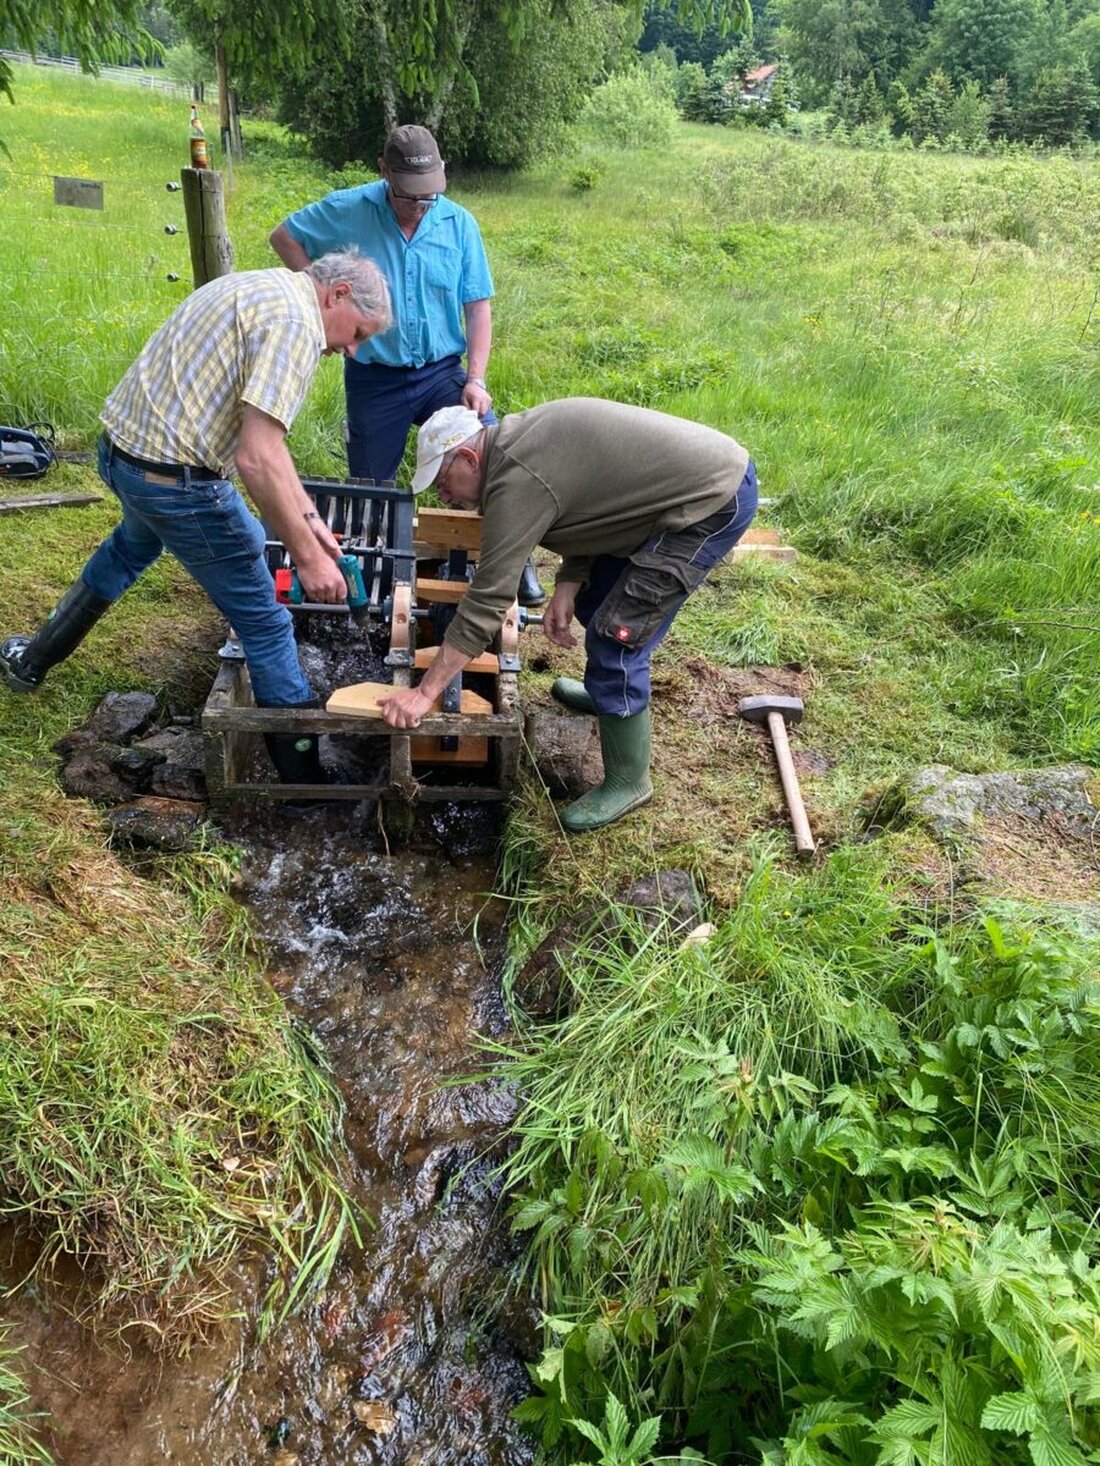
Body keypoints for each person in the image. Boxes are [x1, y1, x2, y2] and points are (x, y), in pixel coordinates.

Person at [0, 251, 392, 796]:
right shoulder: (297, 326)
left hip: (124, 456)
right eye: (358, 334)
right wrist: (307, 559)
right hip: (174, 483)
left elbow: (269, 448)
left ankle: (30, 660)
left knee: (132, 548)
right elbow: (256, 457)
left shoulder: (263, 287)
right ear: (339, 294)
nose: (350, 350)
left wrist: (309, 521)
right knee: (266, 623)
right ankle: (304, 790)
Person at [380, 398, 758, 833]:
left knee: (617, 636)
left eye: (444, 483)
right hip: (674, 494)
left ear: (468, 457)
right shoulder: (515, 446)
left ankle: (629, 780)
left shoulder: (517, 479)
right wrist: (570, 579)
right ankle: (608, 699)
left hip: (710, 503)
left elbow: (488, 599)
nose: (445, 497)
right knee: (599, 601)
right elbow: (593, 501)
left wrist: (424, 693)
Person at [268, 122, 545, 607]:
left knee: (495, 449)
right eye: (409, 196)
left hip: (441, 372)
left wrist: (476, 379)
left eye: (429, 196)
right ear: (384, 172)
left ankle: (515, 563)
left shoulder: (458, 224)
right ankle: (371, 579)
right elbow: (284, 236)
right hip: (375, 377)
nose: (420, 206)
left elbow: (478, 307)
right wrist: (321, 298)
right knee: (369, 489)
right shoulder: (349, 209)